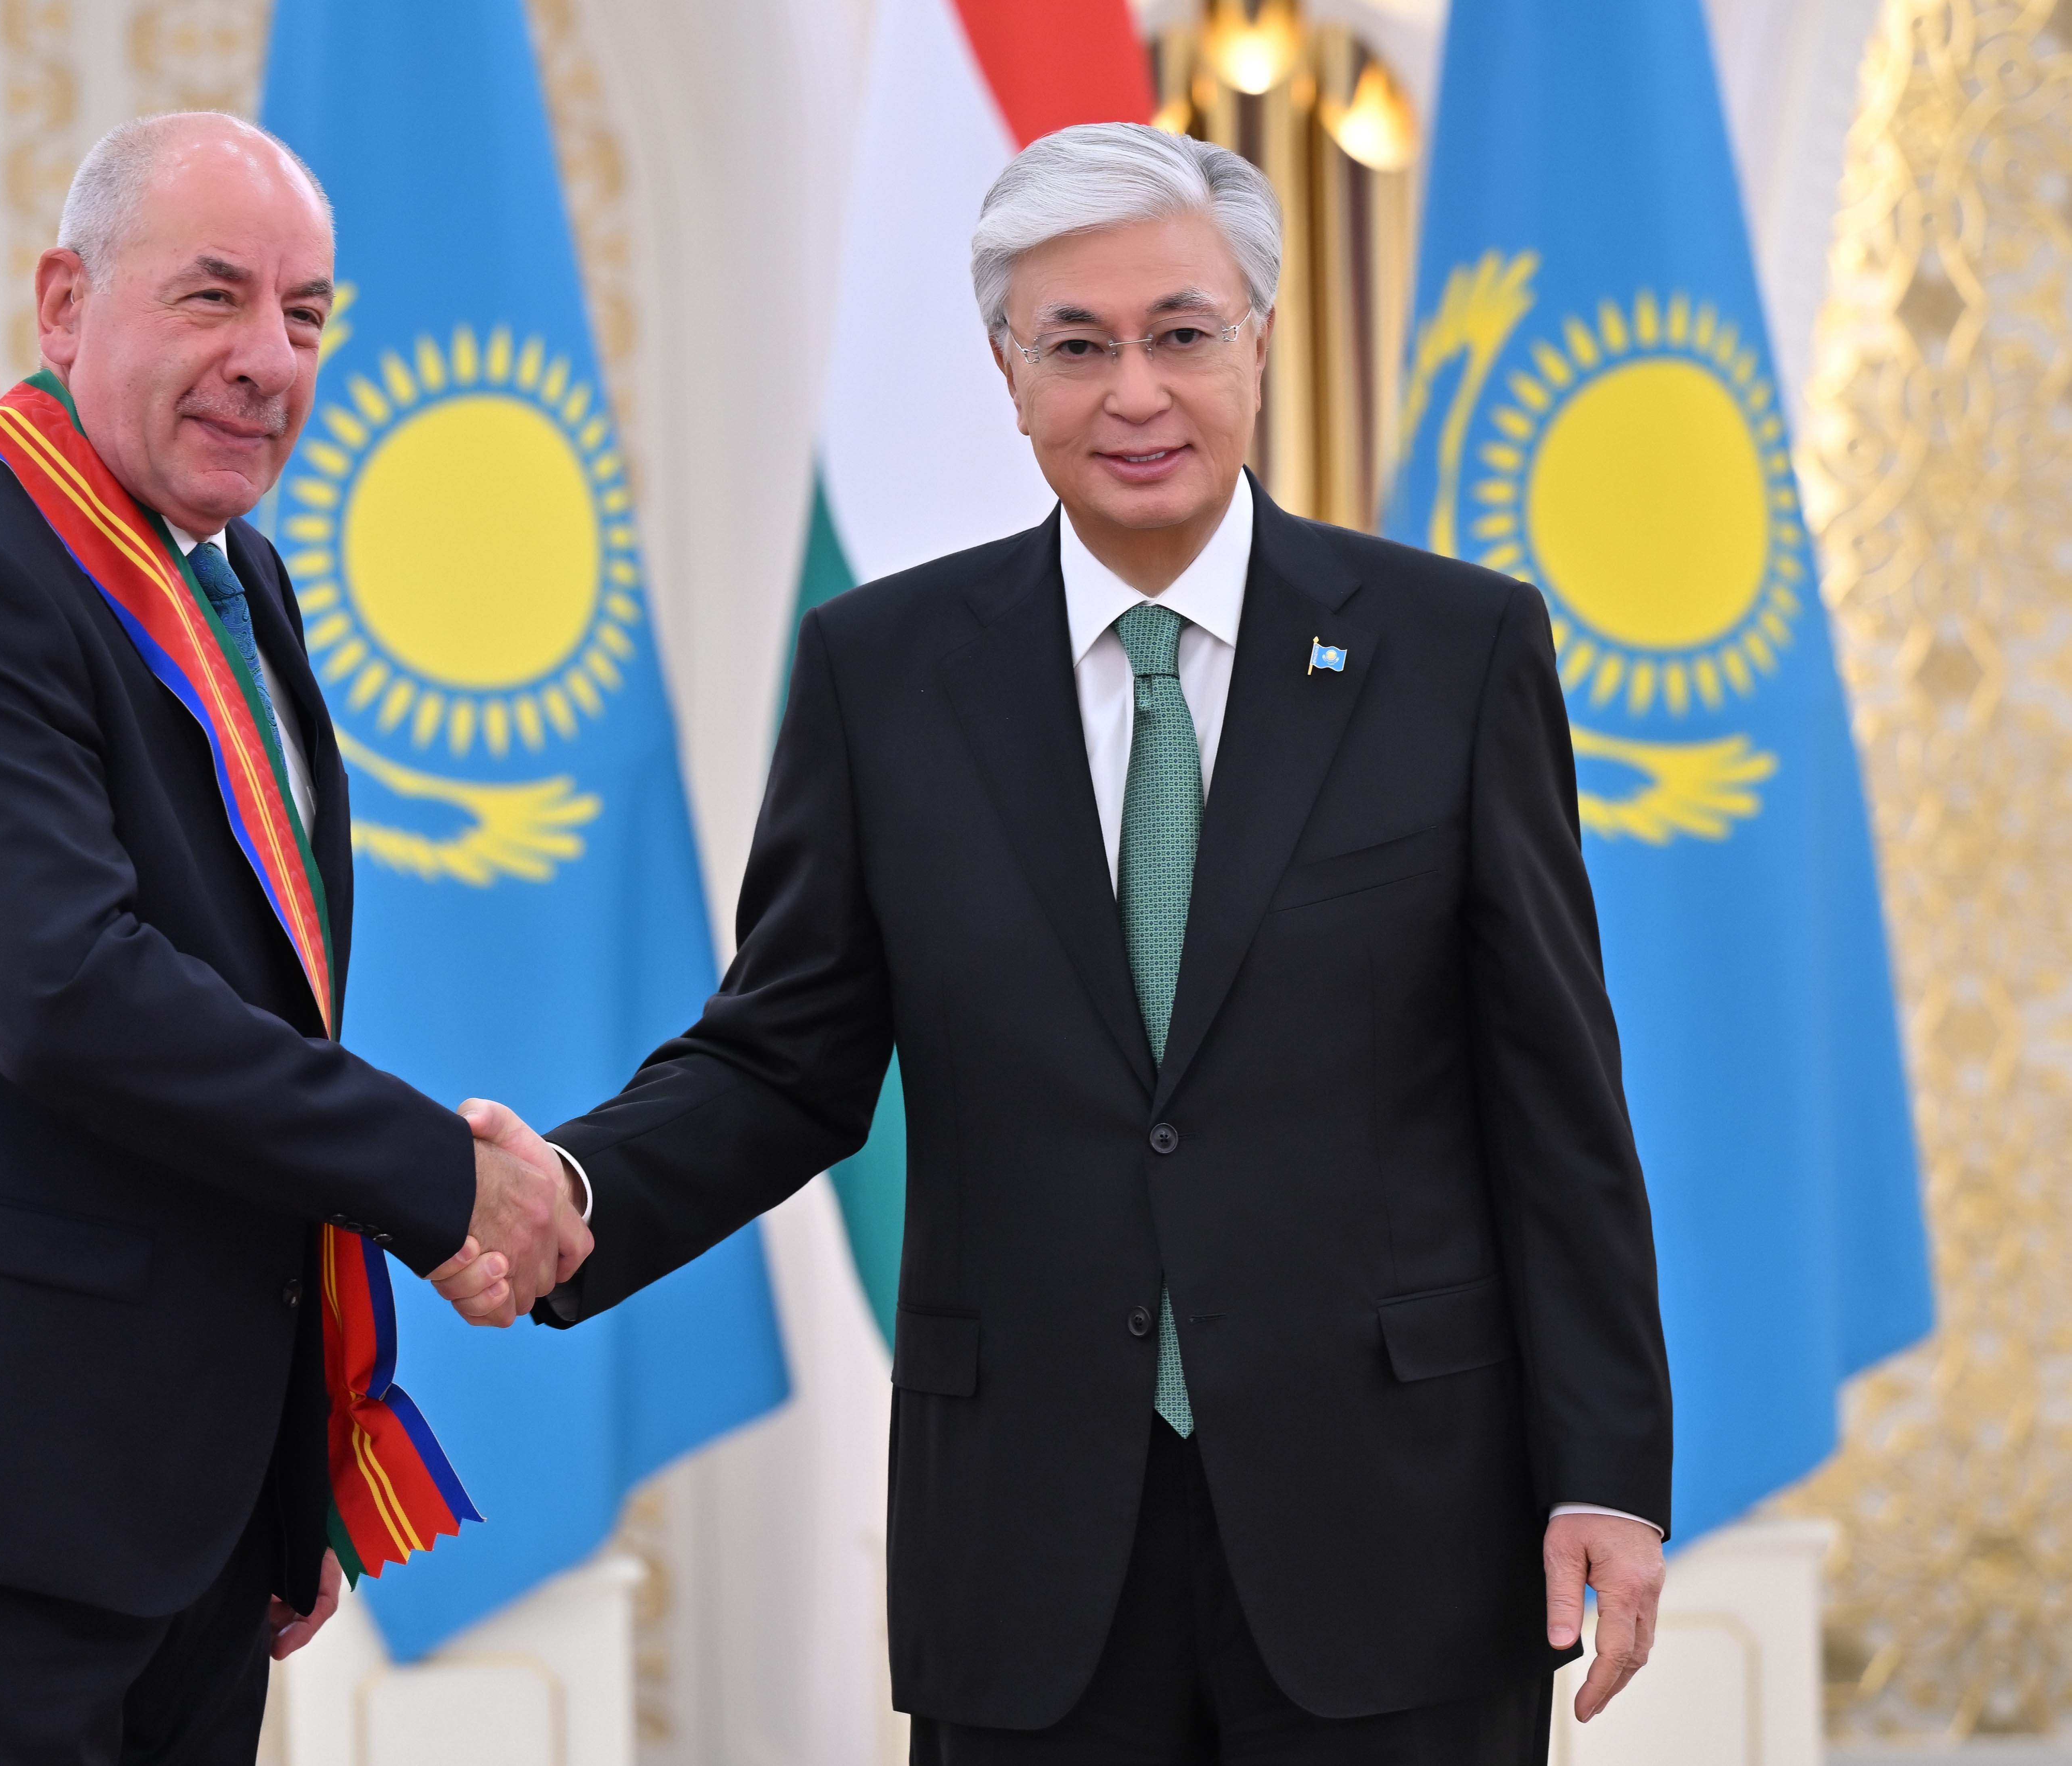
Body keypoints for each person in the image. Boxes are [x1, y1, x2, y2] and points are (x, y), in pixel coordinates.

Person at [442, 123, 1673, 1763]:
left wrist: (1607, 1468)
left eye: (1181, 334)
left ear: (1257, 343)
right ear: (1008, 376)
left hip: (1397, 1526)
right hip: (1027, 1549)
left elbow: (1555, 1097)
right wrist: (574, 1192)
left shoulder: (1453, 651)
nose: (1135, 393)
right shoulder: (885, 672)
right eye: (1077, 347)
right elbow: (784, 1058)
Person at [0, 112, 583, 1764]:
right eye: (212, 296)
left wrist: (282, 1471)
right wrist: (438, 1174)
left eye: (306, 315)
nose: (269, 359)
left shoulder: (240, 578)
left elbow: (261, 1004)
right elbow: (72, 994)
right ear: (65, 303)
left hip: (187, 1503)